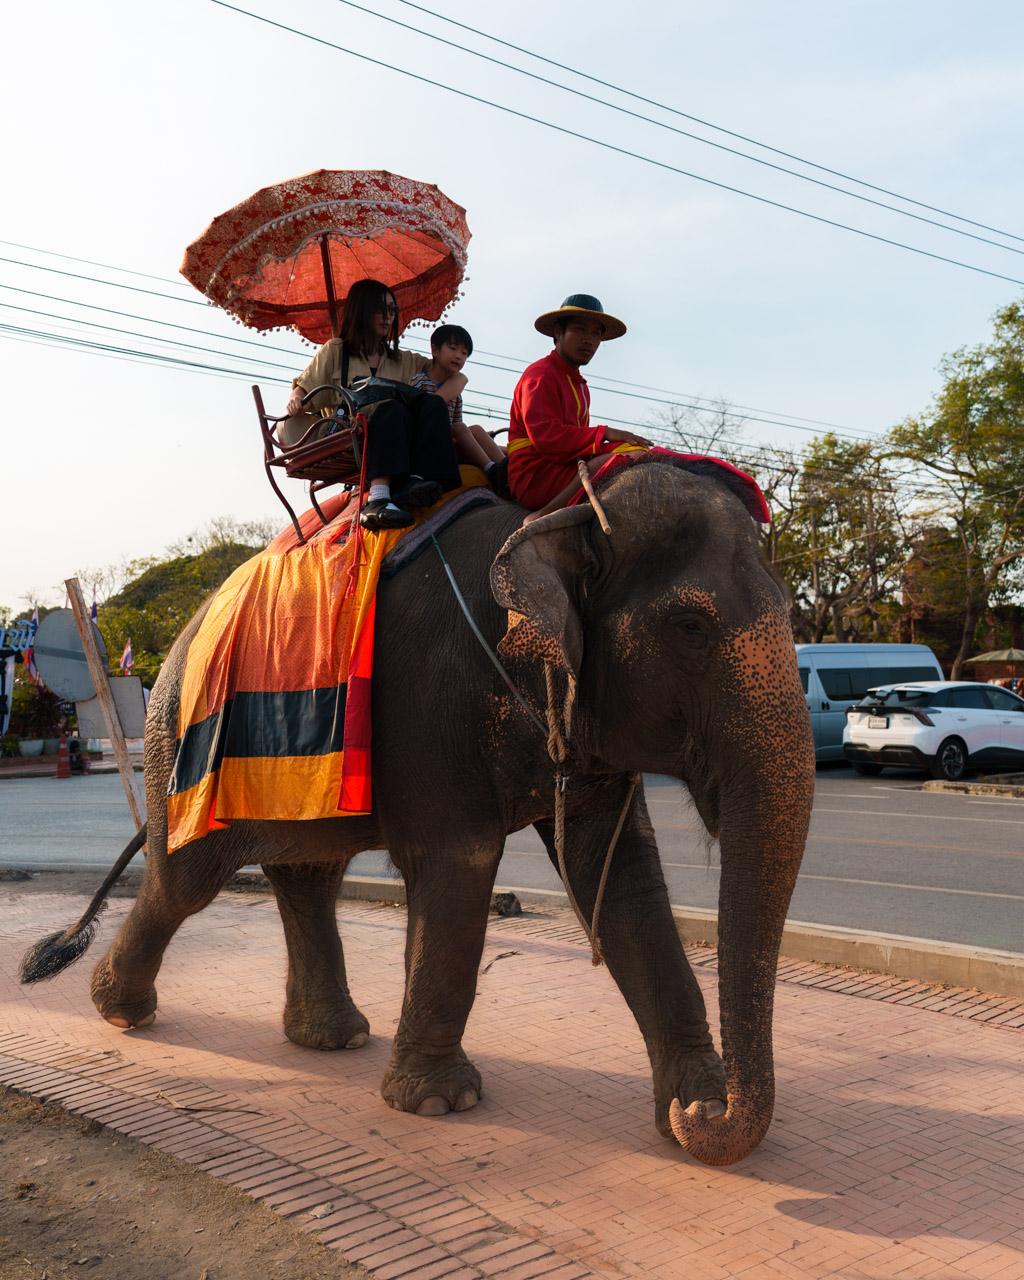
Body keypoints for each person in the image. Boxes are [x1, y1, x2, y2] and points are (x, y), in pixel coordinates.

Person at [285, 279, 462, 530]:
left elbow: (451, 373)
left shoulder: (403, 359)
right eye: (381, 310)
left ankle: (422, 480)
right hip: (353, 430)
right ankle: (378, 498)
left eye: (392, 311)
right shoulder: (337, 350)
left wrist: (448, 389)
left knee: (430, 403)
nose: (388, 317)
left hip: (400, 437)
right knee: (392, 408)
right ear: (363, 311)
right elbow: (303, 389)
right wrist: (295, 399)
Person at [507, 294, 652, 524]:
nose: (589, 340)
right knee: (623, 456)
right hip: (535, 475)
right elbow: (546, 438)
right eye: (580, 329)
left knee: (639, 452)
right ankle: (542, 515)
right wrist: (604, 433)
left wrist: (609, 441)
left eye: (596, 333)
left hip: (561, 465)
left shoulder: (580, 386)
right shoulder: (541, 374)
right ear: (558, 332)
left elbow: (574, 443)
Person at [410, 324, 507, 485]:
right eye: (453, 348)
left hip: (449, 439)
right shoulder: (420, 382)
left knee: (473, 429)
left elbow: (456, 423)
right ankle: (491, 468)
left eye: (464, 353)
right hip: (427, 441)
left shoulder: (456, 393)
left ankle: (505, 469)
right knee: (461, 428)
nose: (459, 356)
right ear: (435, 350)